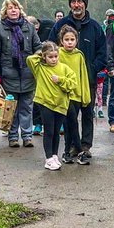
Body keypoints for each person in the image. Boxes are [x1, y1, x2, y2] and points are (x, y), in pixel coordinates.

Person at [52, 0, 107, 156]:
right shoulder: (61, 25)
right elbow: (50, 47)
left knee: (88, 114)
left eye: (79, 1)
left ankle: (85, 146)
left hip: (88, 80)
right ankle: (72, 145)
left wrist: (91, 68)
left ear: (85, 4)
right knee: (69, 116)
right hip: (66, 83)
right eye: (73, 2)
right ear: (70, 4)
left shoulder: (95, 27)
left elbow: (103, 53)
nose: (76, 5)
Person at [0, 0, 40, 148]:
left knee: (27, 107)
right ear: (5, 11)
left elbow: (37, 46)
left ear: (20, 10)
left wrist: (37, 59)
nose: (13, 10)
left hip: (28, 74)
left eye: (15, 7)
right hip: (8, 74)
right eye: (10, 8)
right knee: (11, 107)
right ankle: (12, 136)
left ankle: (27, 136)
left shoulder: (29, 27)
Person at [25, 40, 77, 170]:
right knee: (48, 131)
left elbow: (73, 83)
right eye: (50, 57)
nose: (53, 59)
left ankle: (54, 155)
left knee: (56, 131)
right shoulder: (39, 67)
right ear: (44, 57)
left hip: (60, 104)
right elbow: (30, 59)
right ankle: (48, 158)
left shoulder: (64, 68)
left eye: (56, 56)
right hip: (45, 103)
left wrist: (60, 80)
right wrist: (41, 53)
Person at [56, 25, 93, 165]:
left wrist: (85, 96)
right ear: (61, 40)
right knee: (68, 124)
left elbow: (83, 76)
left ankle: (72, 151)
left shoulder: (79, 55)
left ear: (76, 41)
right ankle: (71, 151)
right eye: (67, 39)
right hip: (63, 96)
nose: (69, 42)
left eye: (72, 39)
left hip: (76, 95)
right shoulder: (57, 54)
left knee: (73, 124)